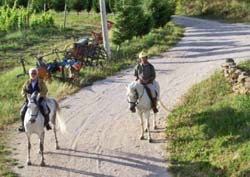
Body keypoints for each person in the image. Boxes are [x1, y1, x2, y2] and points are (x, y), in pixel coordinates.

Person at [18, 68, 52, 132]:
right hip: (29, 100)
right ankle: (23, 126)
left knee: (46, 110)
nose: (33, 75)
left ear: (37, 74)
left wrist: (40, 95)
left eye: (34, 73)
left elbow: (45, 90)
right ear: (29, 74)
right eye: (32, 73)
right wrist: (26, 95)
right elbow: (23, 91)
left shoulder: (41, 82)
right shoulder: (27, 82)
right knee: (22, 112)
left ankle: (47, 124)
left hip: (39, 100)